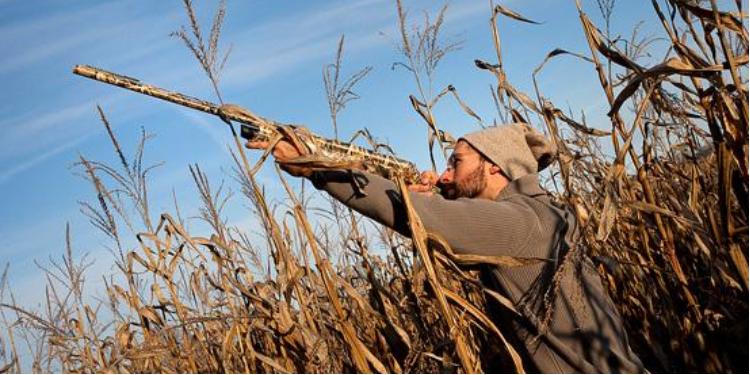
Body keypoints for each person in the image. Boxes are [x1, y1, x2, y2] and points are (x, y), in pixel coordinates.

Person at [246, 123, 644, 373]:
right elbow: (449, 230)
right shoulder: (542, 213)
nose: (444, 173)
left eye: (456, 161)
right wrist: (441, 201)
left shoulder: (518, 223)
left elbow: (412, 215)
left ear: (493, 166)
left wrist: (316, 165)